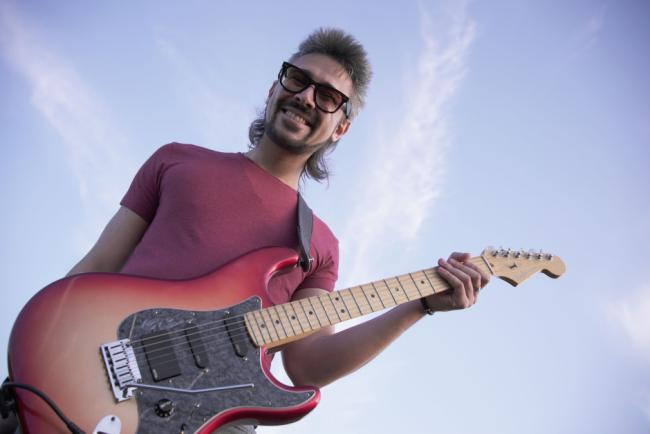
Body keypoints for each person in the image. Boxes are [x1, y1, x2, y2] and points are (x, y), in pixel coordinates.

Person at [1, 28, 490, 434]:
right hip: (80, 378)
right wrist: (40, 358)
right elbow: (96, 268)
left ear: (341, 127)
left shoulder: (319, 245)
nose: (305, 97)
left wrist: (419, 305)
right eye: (297, 79)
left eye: (327, 97)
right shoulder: (177, 161)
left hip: (205, 419)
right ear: (274, 88)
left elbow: (306, 366)